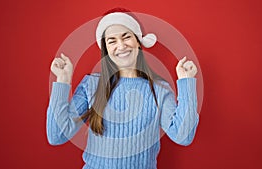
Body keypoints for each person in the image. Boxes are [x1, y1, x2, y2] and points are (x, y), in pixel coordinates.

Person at [47, 7, 199, 169]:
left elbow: (183, 136)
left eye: (126, 37)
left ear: (138, 42)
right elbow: (57, 135)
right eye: (112, 41)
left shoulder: (159, 90)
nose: (121, 46)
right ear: (106, 49)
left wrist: (186, 82)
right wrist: (63, 80)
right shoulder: (91, 85)